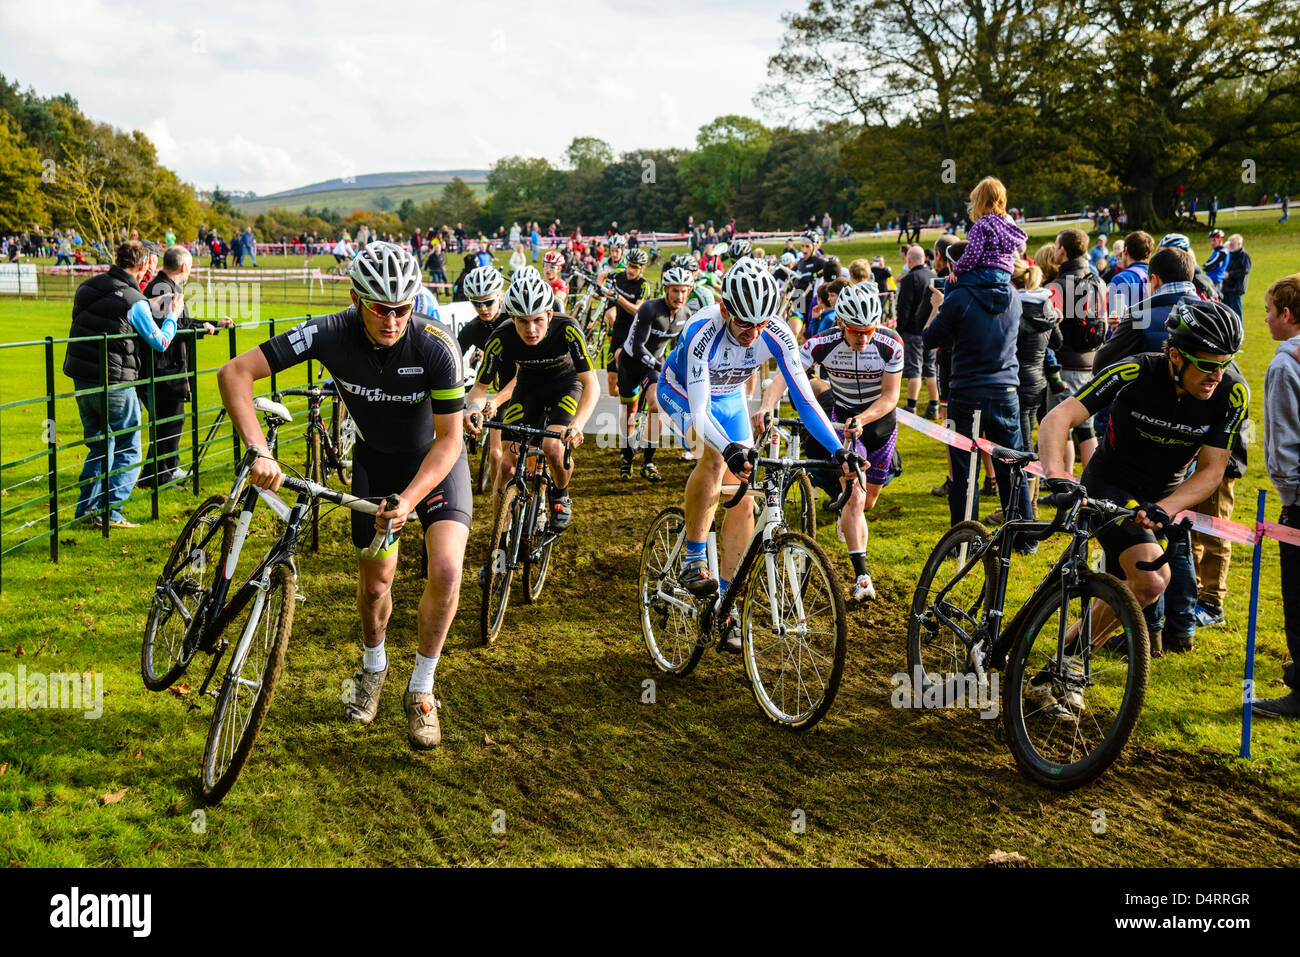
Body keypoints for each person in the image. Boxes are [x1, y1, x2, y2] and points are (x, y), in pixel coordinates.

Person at [218, 241, 468, 750]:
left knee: (445, 568)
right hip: (375, 466)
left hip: (435, 467)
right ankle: (373, 665)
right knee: (377, 585)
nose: (393, 319)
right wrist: (259, 451)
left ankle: (421, 688)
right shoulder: (328, 332)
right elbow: (234, 373)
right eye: (380, 307)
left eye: (403, 307)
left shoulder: (436, 345)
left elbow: (450, 439)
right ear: (356, 299)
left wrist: (411, 500)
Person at [657, 258, 857, 648]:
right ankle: (693, 558)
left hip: (730, 398)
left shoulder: (775, 331)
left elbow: (802, 397)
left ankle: (726, 604)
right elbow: (699, 413)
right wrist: (729, 448)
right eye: (744, 324)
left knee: (744, 499)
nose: (753, 333)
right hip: (681, 393)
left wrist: (838, 450)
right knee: (715, 458)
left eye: (761, 324)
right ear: (726, 308)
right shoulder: (703, 330)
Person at [1038, 300, 1248, 664]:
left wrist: (1167, 507)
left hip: (1163, 497)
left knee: (1136, 587)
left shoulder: (1231, 394)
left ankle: (1063, 661)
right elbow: (1059, 417)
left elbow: (1212, 471)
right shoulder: (1136, 371)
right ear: (1176, 356)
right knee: (1151, 581)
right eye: (1208, 365)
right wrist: (1057, 475)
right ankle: (1068, 665)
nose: (1218, 374)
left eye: (1226, 363)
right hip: (1110, 484)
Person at [757, 283, 901, 600]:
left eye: (869, 331)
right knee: (855, 499)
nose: (863, 338)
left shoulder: (891, 344)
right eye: (855, 332)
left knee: (870, 501)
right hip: (844, 425)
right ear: (840, 324)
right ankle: (862, 578)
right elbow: (785, 373)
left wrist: (863, 420)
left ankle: (847, 517)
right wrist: (767, 406)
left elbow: (891, 396)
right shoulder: (822, 344)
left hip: (880, 427)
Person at [464, 272, 598, 532]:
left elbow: (591, 383)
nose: (531, 329)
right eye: (522, 322)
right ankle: (499, 548)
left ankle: (561, 494)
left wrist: (578, 425)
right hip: (528, 388)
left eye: (538, 320)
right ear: (512, 318)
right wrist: (473, 409)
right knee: (506, 467)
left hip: (566, 386)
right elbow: (479, 388)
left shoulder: (567, 327)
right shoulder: (501, 337)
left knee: (553, 448)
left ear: (549, 315)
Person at [63, 240, 184, 529]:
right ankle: (111, 511)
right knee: (129, 447)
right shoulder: (134, 301)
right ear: (143, 265)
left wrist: (149, 304)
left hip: (83, 380)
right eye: (149, 267)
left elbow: (109, 314)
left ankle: (87, 510)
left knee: (99, 446)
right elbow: (160, 341)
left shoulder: (88, 287)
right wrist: (173, 317)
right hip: (116, 382)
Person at [922, 233, 1034, 535]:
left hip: (968, 387)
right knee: (1012, 465)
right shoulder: (1011, 294)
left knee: (963, 467)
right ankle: (1023, 535)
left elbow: (931, 338)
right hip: (1005, 386)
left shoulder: (960, 296)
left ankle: (964, 535)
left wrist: (941, 307)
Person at [137, 246, 233, 488]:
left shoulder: (167, 288)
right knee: (170, 420)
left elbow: (180, 322)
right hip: (164, 368)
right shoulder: (162, 290)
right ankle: (161, 476)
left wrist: (210, 323)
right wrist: (201, 329)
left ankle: (158, 473)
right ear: (183, 267)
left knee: (171, 420)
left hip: (167, 366)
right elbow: (169, 330)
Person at [1254, 274, 1300, 717]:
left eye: (1269, 311)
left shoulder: (1285, 366)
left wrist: (1291, 495)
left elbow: (1284, 442)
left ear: (1286, 315)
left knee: (1298, 594)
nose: (1265, 319)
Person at [617, 266, 693, 481]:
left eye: (684, 291)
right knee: (630, 414)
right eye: (675, 291)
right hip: (631, 363)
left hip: (652, 367)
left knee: (656, 406)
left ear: (689, 291)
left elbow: (682, 348)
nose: (679, 296)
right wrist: (661, 366)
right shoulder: (650, 309)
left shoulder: (686, 314)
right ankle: (626, 455)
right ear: (666, 290)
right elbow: (639, 346)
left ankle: (648, 460)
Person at [1044, 227, 1108, 474]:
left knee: (1062, 426)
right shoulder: (1098, 282)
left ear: (1062, 250)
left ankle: (1065, 480)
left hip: (1064, 364)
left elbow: (1050, 325)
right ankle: (1090, 484)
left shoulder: (1057, 286)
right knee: (1086, 427)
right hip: (1092, 362)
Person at [895, 244, 939, 420]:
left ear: (909, 260)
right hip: (931, 328)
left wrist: (899, 330)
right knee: (930, 369)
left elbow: (903, 308)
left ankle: (911, 406)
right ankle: (934, 406)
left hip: (912, 331)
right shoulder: (933, 276)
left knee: (914, 369)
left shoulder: (909, 279)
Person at [1221, 233, 1251, 319]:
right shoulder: (1228, 254)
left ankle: (1239, 332)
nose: (1230, 245)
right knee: (1226, 313)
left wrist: (1229, 274)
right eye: (1229, 243)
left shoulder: (1244, 256)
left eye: (1232, 244)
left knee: (1236, 314)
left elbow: (1245, 270)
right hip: (1225, 288)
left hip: (1236, 289)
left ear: (1239, 244)